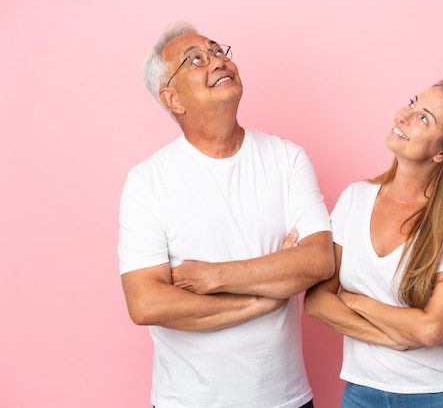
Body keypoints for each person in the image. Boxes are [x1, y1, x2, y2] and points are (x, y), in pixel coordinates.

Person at [118, 22, 334, 408]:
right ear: (173, 99)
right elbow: (147, 304)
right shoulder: (148, 181)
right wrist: (261, 300)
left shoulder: (287, 158)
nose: (217, 61)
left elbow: (318, 260)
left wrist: (212, 276)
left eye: (218, 51)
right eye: (196, 59)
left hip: (286, 400)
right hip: (185, 401)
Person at [305, 78, 443, 407]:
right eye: (412, 103)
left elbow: (430, 330)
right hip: (363, 393)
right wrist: (390, 338)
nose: (403, 116)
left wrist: (356, 302)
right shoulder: (355, 198)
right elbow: (316, 301)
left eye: (424, 118)